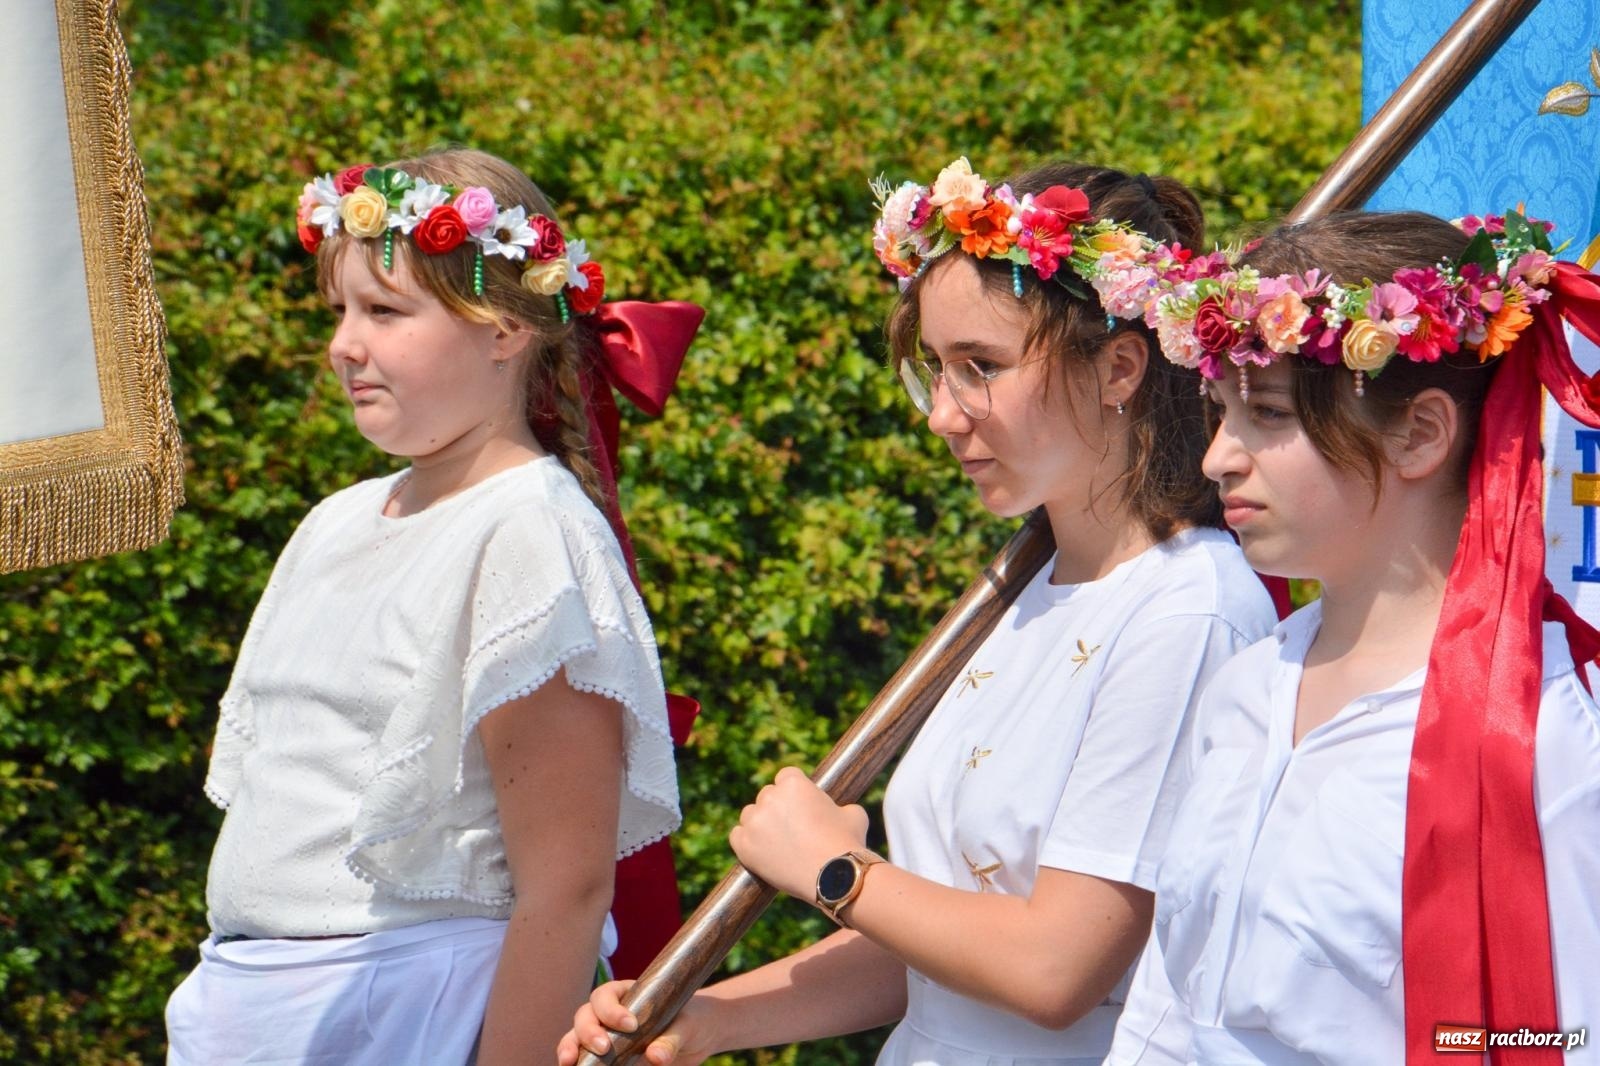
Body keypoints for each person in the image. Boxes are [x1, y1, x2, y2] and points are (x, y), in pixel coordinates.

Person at [558, 158, 1279, 1066]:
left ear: (1121, 367)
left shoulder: (1187, 612)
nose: (942, 414)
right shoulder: (1026, 594)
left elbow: (1058, 967)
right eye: (934, 370)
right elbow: (945, 943)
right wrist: (713, 1017)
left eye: (981, 368)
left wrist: (833, 872)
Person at [164, 147, 705, 1065]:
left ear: (502, 330)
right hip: (251, 1010)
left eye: (384, 311)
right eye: (340, 311)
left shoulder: (526, 534)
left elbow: (566, 888)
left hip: (411, 1011)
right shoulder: (336, 521)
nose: (345, 343)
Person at [1106, 209, 1600, 1064]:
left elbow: (1567, 1035)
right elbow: (1167, 1007)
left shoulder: (1547, 734)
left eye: (1265, 412)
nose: (1220, 456)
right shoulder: (1247, 688)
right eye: (1220, 411)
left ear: (1420, 433)